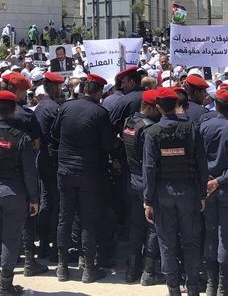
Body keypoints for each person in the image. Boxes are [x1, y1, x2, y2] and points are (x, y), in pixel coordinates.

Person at [142, 87, 208, 296]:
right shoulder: (191, 128)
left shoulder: (152, 132)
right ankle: (193, 289)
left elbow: (149, 168)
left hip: (163, 195)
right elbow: (201, 163)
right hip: (188, 192)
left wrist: (148, 200)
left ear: (159, 107)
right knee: (191, 242)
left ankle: (173, 290)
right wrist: (202, 194)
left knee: (167, 244)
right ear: (178, 105)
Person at [0, 90, 40, 296]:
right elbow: (30, 172)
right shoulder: (22, 138)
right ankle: (5, 287)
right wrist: (34, 199)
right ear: (14, 109)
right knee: (10, 239)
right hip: (14, 193)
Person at [52, 73, 114, 283]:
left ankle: (62, 267)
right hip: (88, 172)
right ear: (97, 92)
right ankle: (88, 268)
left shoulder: (66, 107)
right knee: (88, 219)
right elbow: (108, 145)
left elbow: (55, 133)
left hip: (65, 170)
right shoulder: (100, 113)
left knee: (64, 217)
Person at [198, 88, 228, 296]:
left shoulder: (204, 127)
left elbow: (196, 159)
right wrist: (220, 180)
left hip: (207, 188)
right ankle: (222, 286)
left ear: (216, 105)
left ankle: (211, 284)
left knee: (210, 235)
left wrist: (209, 180)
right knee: (226, 237)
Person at [120, 88, 161, 285]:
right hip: (145, 182)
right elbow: (150, 162)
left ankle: (131, 269)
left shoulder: (129, 122)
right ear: (151, 107)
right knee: (152, 227)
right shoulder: (147, 128)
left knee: (136, 226)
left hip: (132, 179)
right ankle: (148, 271)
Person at [32, 72, 64, 263]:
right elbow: (61, 134)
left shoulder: (40, 107)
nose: (60, 90)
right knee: (57, 204)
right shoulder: (54, 108)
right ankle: (54, 249)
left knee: (46, 202)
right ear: (52, 88)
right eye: (59, 87)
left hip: (42, 157)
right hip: (53, 159)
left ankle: (43, 244)